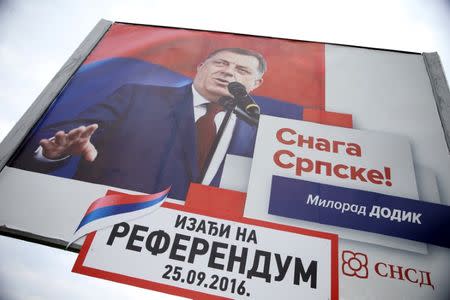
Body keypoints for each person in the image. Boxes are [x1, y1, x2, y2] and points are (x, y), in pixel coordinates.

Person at [11, 48, 302, 200]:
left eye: (240, 70)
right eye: (220, 64)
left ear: (256, 83)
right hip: (106, 226)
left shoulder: (256, 130)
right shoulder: (137, 96)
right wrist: (55, 150)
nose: (228, 73)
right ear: (201, 67)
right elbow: (58, 134)